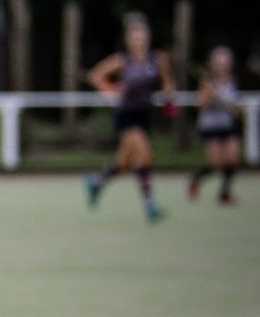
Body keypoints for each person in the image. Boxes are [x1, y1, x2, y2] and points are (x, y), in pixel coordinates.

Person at [83, 12, 173, 223]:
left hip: (144, 113)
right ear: (127, 39)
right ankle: (150, 204)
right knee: (144, 155)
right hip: (126, 114)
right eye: (134, 35)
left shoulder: (157, 60)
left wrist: (169, 97)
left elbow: (168, 82)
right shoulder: (121, 61)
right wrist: (111, 90)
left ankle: (96, 182)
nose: (139, 39)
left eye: (142, 34)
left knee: (124, 163)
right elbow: (95, 76)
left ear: (148, 36)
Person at [187, 46, 241, 206]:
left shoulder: (232, 80)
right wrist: (210, 95)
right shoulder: (206, 82)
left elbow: (236, 106)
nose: (222, 65)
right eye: (219, 62)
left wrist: (236, 109)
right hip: (210, 125)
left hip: (227, 123)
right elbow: (201, 106)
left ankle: (225, 192)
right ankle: (195, 178)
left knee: (232, 158)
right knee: (216, 164)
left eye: (225, 62)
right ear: (212, 64)